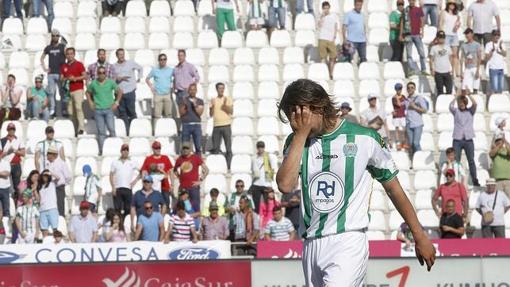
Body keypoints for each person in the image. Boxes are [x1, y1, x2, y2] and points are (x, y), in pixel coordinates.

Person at [275, 79, 435, 286]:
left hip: (347, 240)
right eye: (291, 119)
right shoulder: (297, 141)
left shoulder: (364, 138)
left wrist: (418, 234)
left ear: (317, 106)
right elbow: (285, 186)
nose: (295, 123)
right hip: (310, 243)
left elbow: (393, 188)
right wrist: (301, 134)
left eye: (298, 116)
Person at [86, 66, 122, 155]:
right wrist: (90, 102)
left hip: (109, 109)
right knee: (101, 132)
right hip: (98, 110)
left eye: (103, 73)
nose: (102, 74)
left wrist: (116, 102)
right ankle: (102, 150)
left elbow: (120, 91)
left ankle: (115, 149)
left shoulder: (110, 82)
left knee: (111, 129)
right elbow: (87, 92)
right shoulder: (94, 83)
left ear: (106, 73)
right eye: (100, 73)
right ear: (97, 74)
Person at [450, 92, 479, 186]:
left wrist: (469, 94)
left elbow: (475, 104)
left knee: (471, 160)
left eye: (463, 102)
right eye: (460, 103)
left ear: (466, 103)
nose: (461, 104)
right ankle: (456, 180)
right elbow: (450, 106)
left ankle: (475, 179)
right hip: (457, 139)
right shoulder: (456, 111)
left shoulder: (470, 111)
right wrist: (457, 96)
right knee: (456, 161)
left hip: (468, 139)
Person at [114, 48, 143, 135]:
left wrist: (138, 78)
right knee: (122, 114)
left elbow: (140, 68)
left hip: (130, 91)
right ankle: (126, 132)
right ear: (117, 56)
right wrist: (117, 78)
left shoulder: (130, 63)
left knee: (132, 112)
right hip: (119, 93)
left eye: (123, 54)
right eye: (120, 54)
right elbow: (110, 78)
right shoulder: (113, 66)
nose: (122, 56)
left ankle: (134, 131)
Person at [174, 142, 208, 212]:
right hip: (183, 187)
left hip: (193, 187)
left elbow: (206, 170)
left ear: (190, 149)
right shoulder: (180, 159)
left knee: (195, 208)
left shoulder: (196, 158)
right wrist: (179, 177)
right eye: (184, 148)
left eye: (187, 148)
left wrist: (200, 180)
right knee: (183, 208)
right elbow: (174, 170)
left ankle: (196, 222)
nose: (185, 150)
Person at [60, 47, 87, 135]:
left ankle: (81, 128)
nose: (70, 55)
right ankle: (75, 129)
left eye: (71, 53)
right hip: (68, 91)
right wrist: (67, 78)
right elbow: (61, 78)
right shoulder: (64, 66)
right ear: (66, 55)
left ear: (74, 54)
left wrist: (75, 78)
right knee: (71, 111)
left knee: (78, 108)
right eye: (68, 54)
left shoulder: (79, 64)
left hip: (78, 89)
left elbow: (84, 76)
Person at [41, 29, 67, 118]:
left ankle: (64, 109)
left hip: (60, 73)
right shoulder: (48, 47)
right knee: (51, 93)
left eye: (57, 35)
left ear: (59, 37)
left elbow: (68, 56)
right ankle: (53, 110)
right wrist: (44, 68)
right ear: (51, 36)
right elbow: (42, 58)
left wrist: (65, 69)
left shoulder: (62, 47)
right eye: (53, 35)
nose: (55, 37)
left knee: (62, 92)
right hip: (51, 73)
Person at [140, 141, 173, 210]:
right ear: (153, 149)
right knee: (153, 206)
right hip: (153, 188)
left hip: (165, 186)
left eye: (159, 148)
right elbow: (144, 171)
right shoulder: (148, 159)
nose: (158, 149)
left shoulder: (165, 158)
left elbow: (171, 172)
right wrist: (144, 184)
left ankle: (166, 219)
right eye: (156, 148)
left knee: (166, 205)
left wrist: (172, 184)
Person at [110, 143, 138, 218]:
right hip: (118, 188)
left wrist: (135, 181)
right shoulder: (115, 162)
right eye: (124, 150)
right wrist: (113, 187)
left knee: (128, 209)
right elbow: (111, 175)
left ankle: (126, 225)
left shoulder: (132, 162)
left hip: (128, 188)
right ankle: (119, 226)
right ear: (121, 151)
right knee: (117, 209)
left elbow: (141, 172)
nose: (125, 152)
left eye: (127, 150)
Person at [209, 82, 233, 170]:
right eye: (220, 88)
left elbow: (231, 111)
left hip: (226, 125)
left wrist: (224, 106)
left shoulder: (227, 99)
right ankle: (217, 166)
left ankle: (228, 166)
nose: (221, 90)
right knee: (215, 148)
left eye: (223, 88)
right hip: (216, 126)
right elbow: (211, 114)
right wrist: (212, 107)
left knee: (228, 148)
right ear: (217, 89)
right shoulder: (213, 100)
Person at [249, 141, 278, 213]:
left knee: (267, 203)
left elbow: (274, 168)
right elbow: (252, 169)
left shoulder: (269, 157)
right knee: (256, 205)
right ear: (257, 148)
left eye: (261, 147)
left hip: (266, 183)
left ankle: (268, 217)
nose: (260, 149)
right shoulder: (254, 158)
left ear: (264, 148)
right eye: (259, 147)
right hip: (256, 183)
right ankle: (258, 218)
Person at [400, 0, 427, 75]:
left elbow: (422, 21)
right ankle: (411, 70)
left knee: (421, 53)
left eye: (413, 0)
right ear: (408, 1)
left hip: (417, 34)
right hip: (408, 34)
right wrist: (401, 34)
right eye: (410, 0)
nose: (411, 2)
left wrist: (422, 31)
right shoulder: (405, 10)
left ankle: (423, 69)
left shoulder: (418, 9)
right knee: (409, 54)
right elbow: (402, 22)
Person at [146, 53, 175, 121]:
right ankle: (156, 130)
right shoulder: (155, 70)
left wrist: (173, 87)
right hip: (158, 95)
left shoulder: (170, 70)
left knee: (169, 115)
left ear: (166, 60)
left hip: (167, 95)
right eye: (161, 59)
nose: (163, 61)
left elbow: (176, 79)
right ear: (158, 61)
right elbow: (147, 79)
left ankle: (169, 130)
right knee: (157, 116)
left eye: (164, 59)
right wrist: (151, 87)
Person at [0, 123, 24, 204]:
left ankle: (17, 203)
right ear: (7, 130)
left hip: (16, 165)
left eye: (13, 129)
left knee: (17, 186)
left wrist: (14, 150)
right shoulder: (2, 140)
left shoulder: (19, 139)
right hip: (6, 165)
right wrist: (7, 152)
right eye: (10, 129)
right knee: (5, 185)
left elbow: (23, 153)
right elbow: (0, 155)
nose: (12, 131)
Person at [177, 83, 204, 154]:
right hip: (186, 125)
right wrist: (184, 106)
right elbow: (181, 113)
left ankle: (198, 162)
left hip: (196, 125)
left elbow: (200, 113)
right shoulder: (183, 100)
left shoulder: (200, 101)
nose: (192, 91)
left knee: (198, 147)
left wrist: (195, 105)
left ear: (196, 91)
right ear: (188, 91)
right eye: (191, 90)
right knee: (185, 147)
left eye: (194, 90)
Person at [46, 146, 71, 217]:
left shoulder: (62, 163)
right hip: (51, 188)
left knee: (60, 206)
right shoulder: (48, 164)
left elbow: (68, 176)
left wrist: (62, 183)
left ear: (53, 154)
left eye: (48, 154)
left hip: (59, 187)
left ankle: (61, 221)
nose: (47, 155)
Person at [404, 81, 427, 158]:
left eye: (412, 87)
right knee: (411, 144)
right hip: (409, 124)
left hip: (417, 124)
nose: (410, 89)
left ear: (415, 89)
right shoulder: (406, 99)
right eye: (408, 88)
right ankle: (414, 160)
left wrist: (415, 107)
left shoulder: (419, 98)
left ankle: (420, 158)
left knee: (416, 143)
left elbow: (425, 110)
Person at [439, 0, 461, 77]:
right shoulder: (443, 12)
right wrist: (440, 35)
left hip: (454, 35)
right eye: (450, 4)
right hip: (446, 35)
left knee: (455, 54)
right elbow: (440, 24)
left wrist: (457, 26)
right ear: (447, 4)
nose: (452, 5)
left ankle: (456, 71)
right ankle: (449, 70)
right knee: (447, 54)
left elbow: (458, 25)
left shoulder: (456, 14)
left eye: (453, 4)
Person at [318, 1, 339, 78]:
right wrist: (322, 17)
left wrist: (334, 36)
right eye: (324, 8)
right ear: (322, 9)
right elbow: (319, 25)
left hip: (330, 39)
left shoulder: (334, 16)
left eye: (327, 8)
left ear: (329, 8)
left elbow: (336, 26)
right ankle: (324, 73)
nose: (326, 10)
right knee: (323, 57)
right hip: (322, 38)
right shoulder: (321, 16)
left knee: (333, 57)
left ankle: (331, 73)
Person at [429, 31, 453, 96]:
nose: (441, 39)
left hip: (447, 71)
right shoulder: (434, 48)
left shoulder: (448, 47)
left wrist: (451, 68)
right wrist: (432, 69)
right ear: (437, 38)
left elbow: (450, 58)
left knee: (449, 90)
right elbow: (431, 59)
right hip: (438, 71)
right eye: (440, 38)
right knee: (440, 90)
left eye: (442, 38)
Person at [460, 28, 482, 94]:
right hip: (467, 68)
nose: (467, 35)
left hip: (475, 67)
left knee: (475, 87)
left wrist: (478, 70)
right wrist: (461, 71)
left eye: (468, 33)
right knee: (464, 87)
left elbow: (479, 57)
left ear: (472, 34)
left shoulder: (477, 44)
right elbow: (462, 58)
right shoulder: (463, 45)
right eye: (466, 34)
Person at [485, 30, 506, 94]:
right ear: (492, 35)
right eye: (495, 35)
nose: (497, 36)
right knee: (495, 88)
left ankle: (499, 102)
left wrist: (500, 48)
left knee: (501, 89)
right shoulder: (488, 44)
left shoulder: (502, 44)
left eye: (498, 35)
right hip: (493, 69)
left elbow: (505, 54)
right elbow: (487, 58)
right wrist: (492, 51)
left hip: (501, 69)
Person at [38, 170, 58, 237]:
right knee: (44, 229)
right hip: (42, 209)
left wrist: (50, 172)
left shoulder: (52, 184)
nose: (45, 177)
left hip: (52, 208)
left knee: (54, 228)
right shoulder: (40, 186)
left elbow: (58, 178)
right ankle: (45, 243)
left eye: (46, 176)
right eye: (44, 176)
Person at [489, 133, 510, 198]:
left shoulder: (506, 150)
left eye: (500, 140)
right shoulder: (494, 151)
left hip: (508, 181)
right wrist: (499, 145)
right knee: (498, 201)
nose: (499, 142)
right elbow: (491, 154)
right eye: (497, 141)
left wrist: (505, 141)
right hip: (497, 181)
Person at [392, 83, 407, 150]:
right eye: (398, 89)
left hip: (403, 115)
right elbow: (399, 104)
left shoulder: (403, 97)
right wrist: (396, 97)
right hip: (397, 116)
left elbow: (406, 104)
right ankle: (398, 143)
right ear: (395, 89)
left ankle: (403, 143)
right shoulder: (394, 98)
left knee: (404, 130)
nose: (399, 90)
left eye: (400, 88)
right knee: (397, 130)